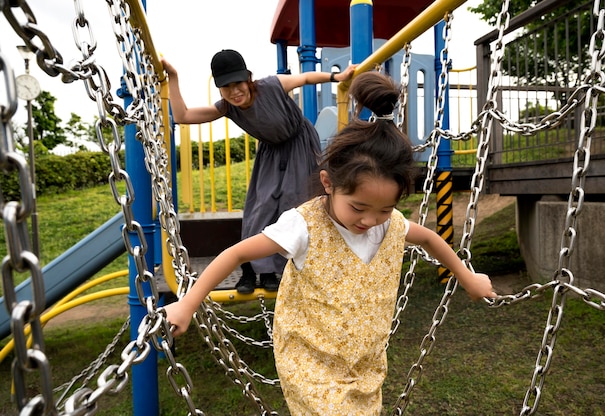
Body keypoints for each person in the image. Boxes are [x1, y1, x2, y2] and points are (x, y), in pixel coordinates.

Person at [163, 71, 497, 415]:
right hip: (311, 363)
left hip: (364, 366)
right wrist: (188, 304)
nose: (369, 220)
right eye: (358, 207)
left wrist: (467, 278)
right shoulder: (304, 225)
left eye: (386, 208)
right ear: (327, 183)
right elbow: (237, 253)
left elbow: (428, 238)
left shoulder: (388, 226)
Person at [161, 50, 357, 294]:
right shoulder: (227, 108)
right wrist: (173, 76)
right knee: (260, 207)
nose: (234, 92)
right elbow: (183, 116)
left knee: (296, 204)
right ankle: (250, 269)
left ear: (248, 79)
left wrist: (336, 77)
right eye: (226, 87)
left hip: (300, 145)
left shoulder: (271, 86)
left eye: (238, 83)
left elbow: (305, 78)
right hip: (271, 153)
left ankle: (275, 271)